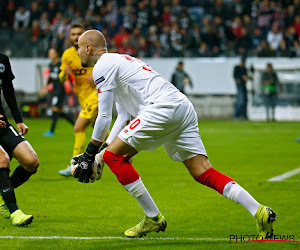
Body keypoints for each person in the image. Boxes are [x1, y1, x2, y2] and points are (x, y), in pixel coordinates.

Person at [73, 30, 276, 239]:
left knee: (114, 157)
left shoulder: (102, 67)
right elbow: (122, 115)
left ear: (88, 48)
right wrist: (101, 151)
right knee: (202, 171)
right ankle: (259, 211)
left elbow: (104, 116)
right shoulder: (118, 62)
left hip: (161, 108)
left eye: (78, 47)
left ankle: (153, 218)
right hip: (181, 106)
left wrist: (90, 154)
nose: (77, 52)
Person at [0, 52, 39, 226]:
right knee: (2, 159)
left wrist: (18, 119)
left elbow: (8, 90)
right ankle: (15, 212)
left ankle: (3, 193)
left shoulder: (2, 59)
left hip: (2, 124)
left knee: (31, 161)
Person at [58, 24, 99, 176]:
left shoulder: (93, 52)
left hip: (96, 95)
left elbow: (106, 71)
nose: (76, 37)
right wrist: (64, 73)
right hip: (82, 97)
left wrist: (96, 78)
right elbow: (61, 78)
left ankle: (74, 165)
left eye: (79, 34)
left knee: (79, 127)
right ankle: (121, 150)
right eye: (73, 34)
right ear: (70, 36)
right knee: (98, 127)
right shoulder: (67, 55)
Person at [42, 48, 75, 137]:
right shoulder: (50, 65)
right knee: (59, 110)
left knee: (54, 108)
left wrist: (72, 85)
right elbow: (50, 79)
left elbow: (67, 75)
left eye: (52, 53)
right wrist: (45, 87)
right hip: (54, 90)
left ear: (56, 54)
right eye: (49, 53)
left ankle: (52, 131)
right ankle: (76, 126)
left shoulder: (60, 64)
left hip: (60, 90)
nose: (50, 55)